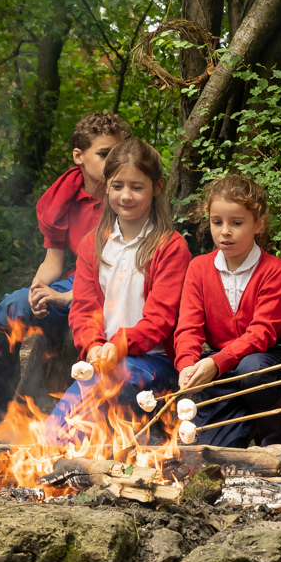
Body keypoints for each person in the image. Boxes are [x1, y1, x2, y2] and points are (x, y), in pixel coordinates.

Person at [0, 113, 131, 436]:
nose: (114, 162)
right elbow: (53, 261)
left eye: (118, 152)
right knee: (13, 306)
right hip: (75, 279)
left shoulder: (126, 196)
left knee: (79, 310)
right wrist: (38, 289)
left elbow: (120, 271)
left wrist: (68, 296)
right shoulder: (64, 196)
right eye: (104, 153)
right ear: (78, 157)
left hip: (114, 290)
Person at [47, 137, 188, 444]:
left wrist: (120, 345)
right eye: (117, 186)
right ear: (105, 186)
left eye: (137, 187)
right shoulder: (93, 245)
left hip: (154, 364)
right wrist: (94, 344)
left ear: (157, 186)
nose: (126, 195)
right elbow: (83, 309)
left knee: (119, 378)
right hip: (103, 363)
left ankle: (141, 436)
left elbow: (161, 317)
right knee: (55, 436)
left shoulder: (170, 247)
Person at [174, 173, 281, 449]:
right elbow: (188, 326)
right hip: (224, 366)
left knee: (252, 369)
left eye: (236, 223)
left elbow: (262, 333)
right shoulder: (199, 268)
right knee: (215, 449)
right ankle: (243, 428)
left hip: (270, 359)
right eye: (217, 222)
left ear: (258, 224)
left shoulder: (273, 270)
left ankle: (275, 439)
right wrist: (187, 364)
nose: (225, 231)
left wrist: (216, 362)